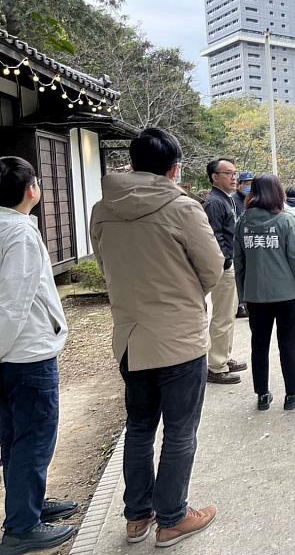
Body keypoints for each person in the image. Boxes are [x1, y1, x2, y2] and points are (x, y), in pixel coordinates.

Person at [90, 129, 222, 547]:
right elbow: (212, 269)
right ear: (175, 167)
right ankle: (172, 518)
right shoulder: (183, 207)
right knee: (181, 430)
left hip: (130, 336)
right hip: (179, 336)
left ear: (132, 162)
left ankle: (136, 517)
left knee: (140, 426)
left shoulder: (102, 209)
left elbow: (105, 263)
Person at [0, 157, 77, 553]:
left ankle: (28, 506)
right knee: (34, 438)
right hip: (25, 353)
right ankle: (21, 527)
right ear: (31, 189)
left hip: (13, 355)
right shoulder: (20, 234)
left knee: (14, 439)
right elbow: (14, 302)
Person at [234, 175, 295, 412]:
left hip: (256, 295)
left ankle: (262, 395)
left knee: (259, 345)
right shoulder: (284, 221)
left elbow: (239, 262)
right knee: (288, 344)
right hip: (286, 294)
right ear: (277, 193)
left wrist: (242, 295)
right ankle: (292, 394)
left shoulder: (242, 222)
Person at [204, 158, 248, 384]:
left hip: (230, 264)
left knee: (229, 314)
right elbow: (215, 235)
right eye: (228, 173)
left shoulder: (226, 199)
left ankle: (223, 357)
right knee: (223, 316)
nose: (234, 177)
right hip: (224, 267)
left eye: (234, 172)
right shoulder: (214, 202)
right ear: (214, 177)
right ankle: (216, 366)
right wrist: (227, 261)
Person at [233, 171, 254, 319]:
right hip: (237, 243)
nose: (248, 187)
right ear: (239, 185)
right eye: (246, 184)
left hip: (251, 242)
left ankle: (246, 303)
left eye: (251, 184)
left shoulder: (253, 200)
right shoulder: (233, 200)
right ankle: (241, 304)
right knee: (240, 273)